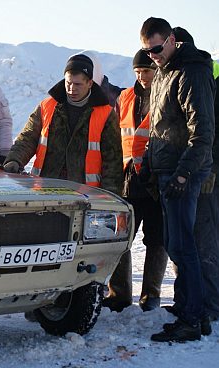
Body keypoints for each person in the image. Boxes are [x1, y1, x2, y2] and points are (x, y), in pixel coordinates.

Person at [139, 17, 215, 342]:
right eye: (147, 51)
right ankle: (189, 306)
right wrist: (147, 162)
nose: (153, 55)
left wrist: (184, 173)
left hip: (184, 172)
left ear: (171, 40)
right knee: (175, 244)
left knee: (184, 246)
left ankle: (192, 318)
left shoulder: (191, 71)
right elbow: (160, 128)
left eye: (157, 48)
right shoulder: (165, 72)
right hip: (167, 169)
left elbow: (203, 131)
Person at [102, 50, 168, 313]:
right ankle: (118, 294)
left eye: (147, 71)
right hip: (127, 178)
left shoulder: (166, 95)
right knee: (121, 240)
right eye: (138, 72)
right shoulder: (125, 97)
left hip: (154, 181)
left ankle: (151, 294)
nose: (142, 77)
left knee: (156, 239)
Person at [3, 53, 123, 195]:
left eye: (77, 84)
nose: (72, 89)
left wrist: (109, 196)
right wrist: (14, 159)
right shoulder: (47, 107)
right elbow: (27, 138)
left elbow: (112, 162)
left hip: (84, 195)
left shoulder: (105, 114)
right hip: (44, 189)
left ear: (90, 83)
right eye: (68, 83)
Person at [163, 26, 219, 323]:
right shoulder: (188, 74)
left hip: (206, 172)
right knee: (184, 242)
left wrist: (199, 167)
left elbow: (206, 131)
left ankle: (208, 307)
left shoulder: (199, 75)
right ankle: (186, 300)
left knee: (201, 242)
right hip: (196, 166)